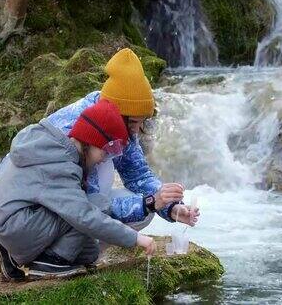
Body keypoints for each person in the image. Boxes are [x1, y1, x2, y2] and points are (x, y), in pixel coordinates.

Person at [0, 100, 157, 281]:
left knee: (89, 254)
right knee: (98, 204)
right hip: (16, 226)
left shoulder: (51, 146)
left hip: (11, 222)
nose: (104, 159)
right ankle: (51, 263)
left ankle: (9, 253)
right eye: (107, 151)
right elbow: (83, 215)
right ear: (92, 140)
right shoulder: (61, 165)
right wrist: (136, 238)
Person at [46, 48, 199, 231]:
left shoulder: (118, 120)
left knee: (145, 209)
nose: (135, 129)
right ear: (118, 113)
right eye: (133, 122)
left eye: (142, 122)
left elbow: (138, 175)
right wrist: (149, 203)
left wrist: (171, 206)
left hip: (77, 207)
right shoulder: (77, 131)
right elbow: (86, 208)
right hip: (42, 215)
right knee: (143, 206)